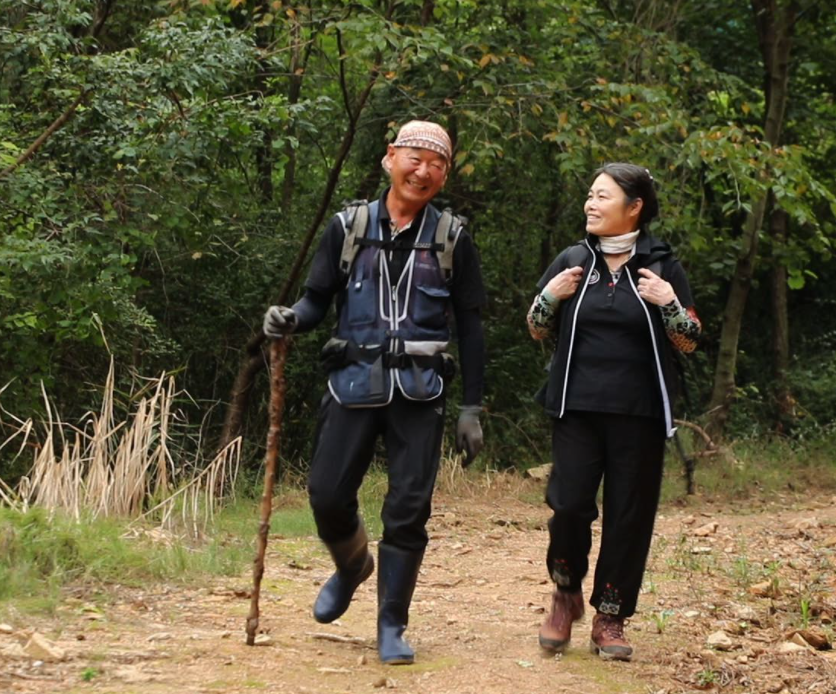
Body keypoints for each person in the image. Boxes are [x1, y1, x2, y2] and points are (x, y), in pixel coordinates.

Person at [263, 120, 486, 665]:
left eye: (437, 164)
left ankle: (391, 624)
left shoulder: (452, 238)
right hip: (352, 383)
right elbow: (317, 300)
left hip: (420, 391)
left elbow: (472, 325)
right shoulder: (348, 227)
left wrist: (472, 407)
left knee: (408, 510)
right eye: (415, 158)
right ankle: (351, 564)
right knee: (326, 493)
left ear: (445, 175)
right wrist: (292, 318)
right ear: (390, 158)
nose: (424, 171)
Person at [526, 162, 701, 661]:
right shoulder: (573, 260)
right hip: (575, 407)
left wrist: (669, 302)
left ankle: (611, 616)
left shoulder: (661, 265)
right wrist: (550, 295)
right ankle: (565, 594)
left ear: (635, 206)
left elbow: (689, 341)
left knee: (629, 515)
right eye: (590, 195)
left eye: (602, 196)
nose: (591, 204)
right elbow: (536, 329)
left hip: (640, 412)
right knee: (569, 506)